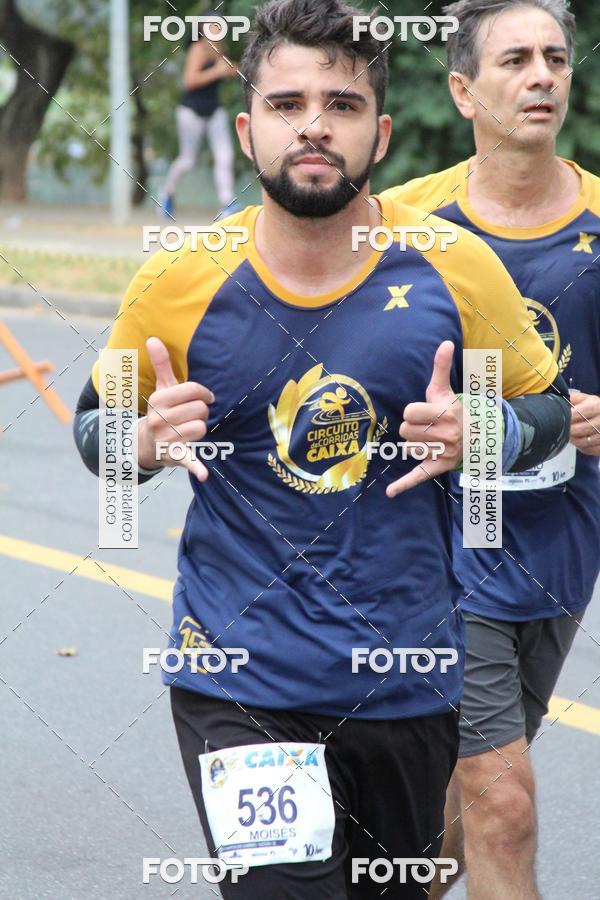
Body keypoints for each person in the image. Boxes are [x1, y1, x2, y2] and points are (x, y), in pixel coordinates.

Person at [73, 0, 571, 896]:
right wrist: (138, 441)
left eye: (340, 107)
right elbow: (94, 437)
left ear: (379, 136)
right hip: (240, 677)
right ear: (247, 126)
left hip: (409, 681)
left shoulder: (453, 268)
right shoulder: (179, 277)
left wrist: (484, 431)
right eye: (287, 104)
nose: (313, 125)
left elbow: (549, 413)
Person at [382, 1, 600, 897]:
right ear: (464, 90)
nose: (542, 75)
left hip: (559, 552)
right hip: (436, 554)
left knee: (454, 809)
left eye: (555, 57)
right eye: (516, 60)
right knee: (502, 803)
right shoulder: (398, 223)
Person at [161, 11, 238, 218]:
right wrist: (218, 72)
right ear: (202, 29)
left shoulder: (220, 50)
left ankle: (227, 204)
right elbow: (189, 81)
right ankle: (167, 194)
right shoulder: (198, 49)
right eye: (211, 25)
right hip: (191, 111)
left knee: (225, 156)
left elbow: (229, 70)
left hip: (214, 110)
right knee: (187, 160)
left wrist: (235, 70)